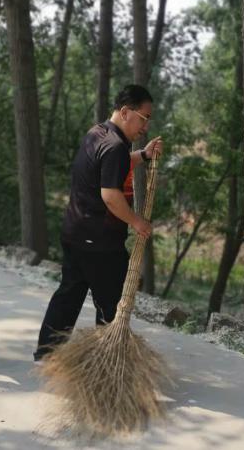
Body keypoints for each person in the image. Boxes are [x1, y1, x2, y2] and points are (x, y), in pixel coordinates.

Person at [34, 84, 163, 361]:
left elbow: (110, 168)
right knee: (111, 303)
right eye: (144, 118)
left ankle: (45, 354)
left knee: (68, 294)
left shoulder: (98, 133)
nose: (146, 126)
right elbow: (110, 194)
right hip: (99, 241)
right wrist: (137, 222)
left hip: (75, 232)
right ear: (126, 112)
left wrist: (143, 155)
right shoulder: (116, 146)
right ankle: (107, 359)